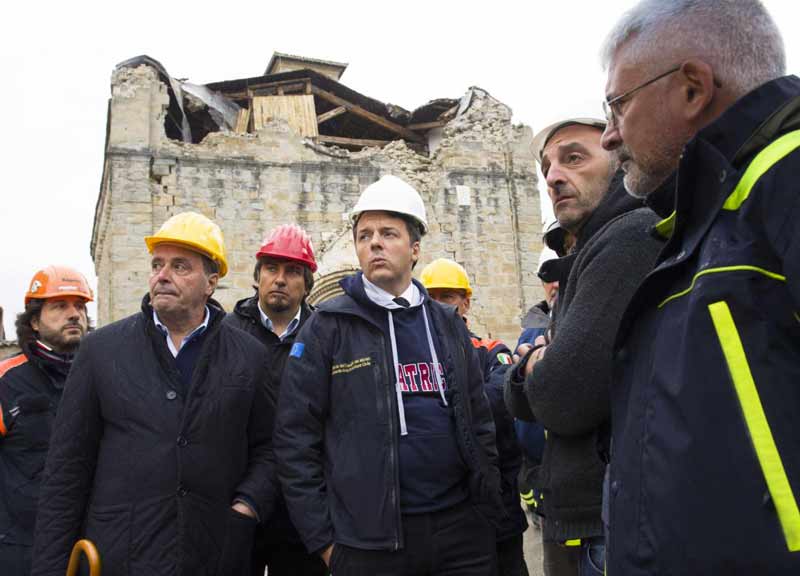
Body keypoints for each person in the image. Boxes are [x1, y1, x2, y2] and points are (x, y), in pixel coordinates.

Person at [599, 1, 800, 572]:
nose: (610, 135)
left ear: (692, 88)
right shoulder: (710, 221)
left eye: (616, 105)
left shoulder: (787, 178)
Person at [275, 174, 502, 576]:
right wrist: (325, 542)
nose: (374, 243)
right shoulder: (328, 326)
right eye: (364, 235)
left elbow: (479, 419)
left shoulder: (447, 323)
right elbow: (295, 438)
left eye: (387, 233)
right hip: (369, 544)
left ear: (415, 248)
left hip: (460, 534)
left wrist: (485, 508)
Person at [31, 212, 277, 576]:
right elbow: (67, 470)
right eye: (157, 264)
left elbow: (270, 448)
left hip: (214, 555)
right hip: (121, 557)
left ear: (211, 281)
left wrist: (247, 505)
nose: (162, 275)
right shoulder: (101, 351)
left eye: (180, 266)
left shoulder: (250, 356)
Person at [504, 117, 662, 576]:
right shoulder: (595, 248)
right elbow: (519, 397)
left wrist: (531, 365)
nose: (553, 176)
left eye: (574, 157)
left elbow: (560, 397)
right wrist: (536, 368)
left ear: (618, 154)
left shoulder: (630, 235)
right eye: (547, 166)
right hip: (585, 516)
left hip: (610, 523)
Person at [223, 223, 326, 576]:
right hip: (239, 503)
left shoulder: (325, 337)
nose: (280, 279)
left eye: (292, 271)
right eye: (271, 268)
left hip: (304, 509)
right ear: (257, 277)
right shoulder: (225, 335)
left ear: (307, 284)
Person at [420, 257, 528, 576]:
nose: (439, 305)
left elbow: (500, 399)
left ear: (465, 303)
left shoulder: (492, 351)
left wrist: (440, 408)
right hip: (446, 519)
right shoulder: (416, 358)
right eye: (432, 298)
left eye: (448, 297)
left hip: (499, 512)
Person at [0, 266, 92, 575]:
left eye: (79, 306)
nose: (73, 314)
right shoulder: (6, 380)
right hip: (19, 550)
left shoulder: (101, 375)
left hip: (86, 546)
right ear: (35, 322)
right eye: (60, 306)